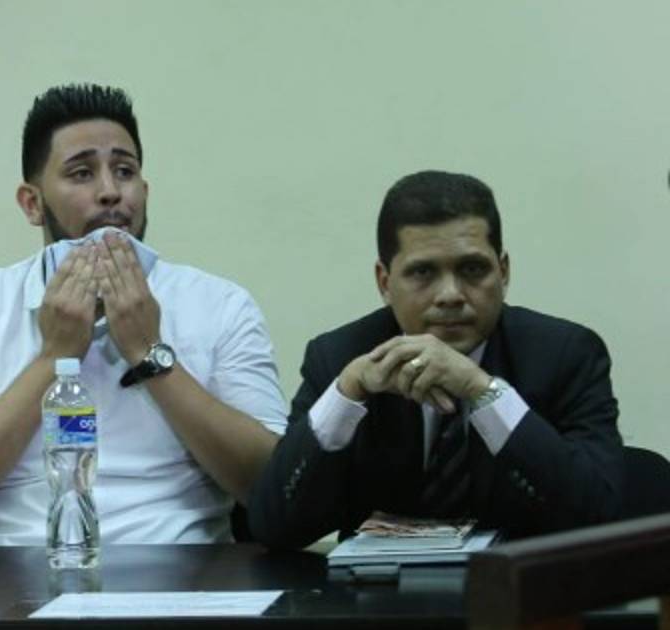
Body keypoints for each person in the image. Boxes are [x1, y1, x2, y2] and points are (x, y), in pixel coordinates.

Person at [0, 84, 288, 545]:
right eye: (82, 173)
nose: (110, 192)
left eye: (124, 171)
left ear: (144, 191)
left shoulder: (220, 304)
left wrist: (150, 353)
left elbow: (274, 488)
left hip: (186, 569)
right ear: (32, 203)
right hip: (15, 573)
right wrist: (54, 357)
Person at [248, 170, 624, 548]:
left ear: (503, 272)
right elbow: (274, 528)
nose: (450, 295)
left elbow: (599, 515)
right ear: (384, 282)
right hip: (379, 586)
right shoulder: (341, 356)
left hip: (521, 582)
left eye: (472, 269)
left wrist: (483, 391)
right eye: (423, 272)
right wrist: (345, 395)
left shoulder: (565, 354)